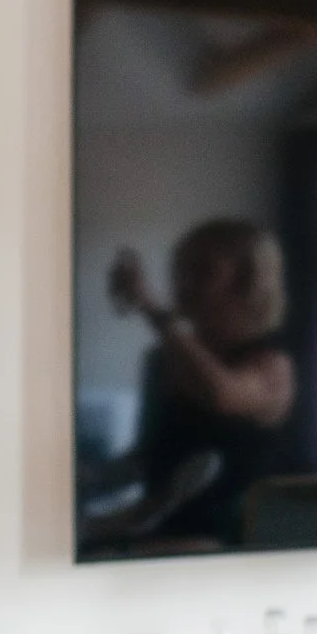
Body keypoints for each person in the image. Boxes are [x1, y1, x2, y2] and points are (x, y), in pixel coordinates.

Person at [99, 219, 296, 546]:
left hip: (238, 548)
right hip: (162, 538)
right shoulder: (162, 360)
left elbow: (224, 395)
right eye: (180, 269)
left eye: (204, 271)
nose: (183, 283)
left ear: (248, 282)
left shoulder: (273, 363)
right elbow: (150, 458)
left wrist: (152, 310)